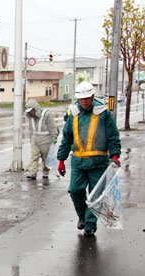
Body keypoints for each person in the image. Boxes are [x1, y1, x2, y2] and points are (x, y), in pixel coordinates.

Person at [57, 81, 121, 237]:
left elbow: (113, 136)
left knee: (96, 195)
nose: (84, 101)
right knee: (75, 190)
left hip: (98, 162)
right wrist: (61, 159)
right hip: (78, 162)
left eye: (87, 98)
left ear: (92, 96)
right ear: (77, 99)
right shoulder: (74, 114)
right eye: (81, 99)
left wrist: (114, 155)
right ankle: (82, 215)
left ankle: (90, 225)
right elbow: (66, 138)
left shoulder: (103, 113)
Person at [24, 99, 59, 180]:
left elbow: (52, 126)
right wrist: (31, 139)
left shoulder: (46, 114)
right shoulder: (31, 117)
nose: (31, 112)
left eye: (32, 110)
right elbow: (31, 129)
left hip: (46, 140)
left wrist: (54, 137)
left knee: (45, 158)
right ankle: (32, 172)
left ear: (35, 109)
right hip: (35, 140)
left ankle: (45, 172)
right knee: (34, 156)